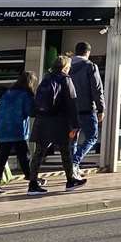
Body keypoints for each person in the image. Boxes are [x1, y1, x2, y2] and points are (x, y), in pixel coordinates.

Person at [28, 56, 85, 194]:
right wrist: (76, 125)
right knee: (66, 151)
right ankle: (70, 180)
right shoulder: (66, 79)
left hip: (42, 121)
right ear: (65, 67)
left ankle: (33, 184)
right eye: (69, 66)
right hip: (59, 122)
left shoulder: (46, 79)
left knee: (39, 153)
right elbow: (72, 104)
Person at [0, 71, 36, 197]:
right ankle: (31, 180)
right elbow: (31, 112)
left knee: (2, 159)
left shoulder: (7, 93)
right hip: (17, 129)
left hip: (2, 129)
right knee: (24, 157)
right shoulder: (25, 95)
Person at [67, 41, 104, 178]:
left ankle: (73, 167)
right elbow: (97, 89)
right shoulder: (90, 66)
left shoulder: (67, 66)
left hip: (71, 110)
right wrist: (101, 109)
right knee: (92, 137)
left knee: (73, 139)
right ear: (88, 52)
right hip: (87, 109)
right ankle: (74, 163)